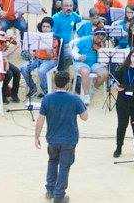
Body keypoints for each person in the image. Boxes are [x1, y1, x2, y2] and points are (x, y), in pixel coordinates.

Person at [35, 68, 88, 203]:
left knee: (52, 162)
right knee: (64, 166)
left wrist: (36, 136)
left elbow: (40, 119)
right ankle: (59, 196)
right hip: (69, 139)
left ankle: (50, 190)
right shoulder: (74, 98)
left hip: (52, 139)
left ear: (54, 83)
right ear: (68, 84)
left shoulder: (47, 98)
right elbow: (84, 117)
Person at [110, 46, 134, 161]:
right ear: (129, 56)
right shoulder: (123, 68)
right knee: (122, 124)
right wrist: (116, 86)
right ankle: (119, 147)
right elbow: (114, 79)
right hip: (123, 100)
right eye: (133, 56)